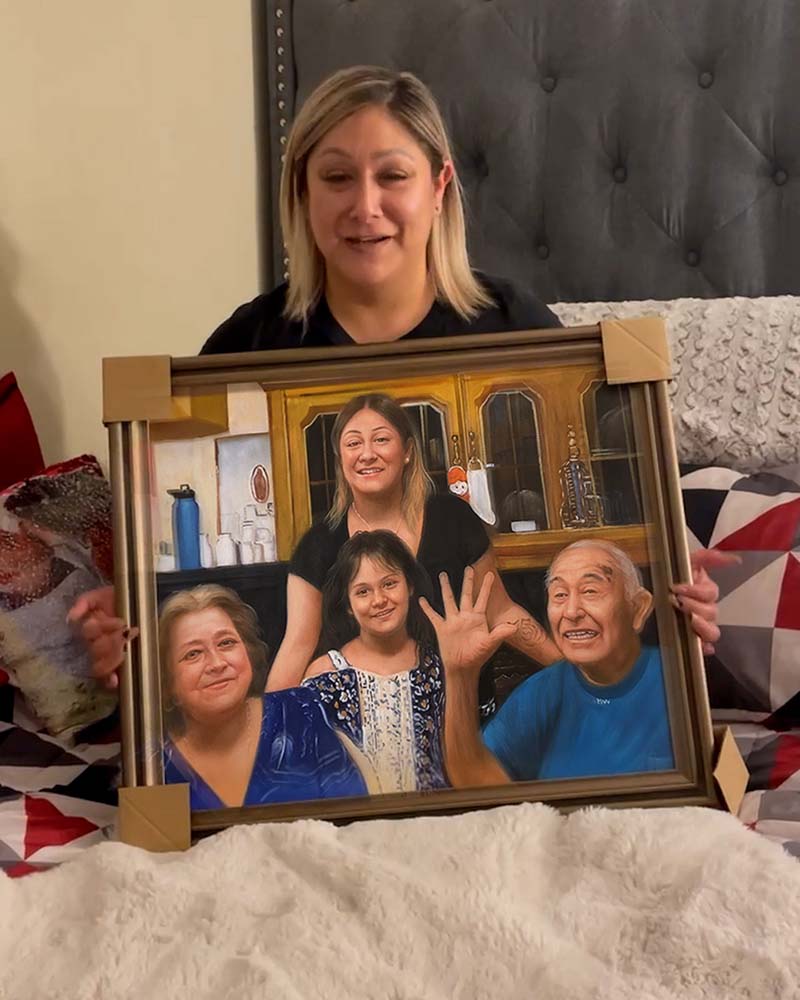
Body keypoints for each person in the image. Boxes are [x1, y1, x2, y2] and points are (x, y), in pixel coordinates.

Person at [70, 64, 731, 686]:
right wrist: (130, 634)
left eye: (392, 175)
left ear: (439, 187)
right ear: (301, 191)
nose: (365, 206)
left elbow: (523, 607)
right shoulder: (250, 344)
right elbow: (287, 648)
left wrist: (659, 610)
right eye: (336, 178)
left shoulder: (514, 327)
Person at [270, 391, 560, 705]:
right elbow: (297, 646)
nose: (367, 454)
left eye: (381, 440)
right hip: (372, 729)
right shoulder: (318, 545)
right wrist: (269, 735)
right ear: (341, 460)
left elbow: (502, 612)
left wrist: (568, 672)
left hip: (466, 714)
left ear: (407, 450)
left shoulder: (453, 519)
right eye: (353, 443)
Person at [425, 541, 686, 788]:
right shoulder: (540, 694)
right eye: (559, 595)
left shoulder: (681, 682)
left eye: (590, 591)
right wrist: (460, 676)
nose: (571, 612)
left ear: (638, 608)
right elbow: (476, 780)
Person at [158, 584, 367, 810]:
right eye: (193, 654)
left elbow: (357, 825)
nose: (217, 664)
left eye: (226, 643)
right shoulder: (155, 768)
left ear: (247, 651)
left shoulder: (302, 713)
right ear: (167, 681)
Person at [302, 529, 448, 794]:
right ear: (347, 604)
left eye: (390, 584)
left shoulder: (438, 666)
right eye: (363, 591)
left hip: (434, 822)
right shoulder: (325, 677)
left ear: (410, 586)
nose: (379, 600)